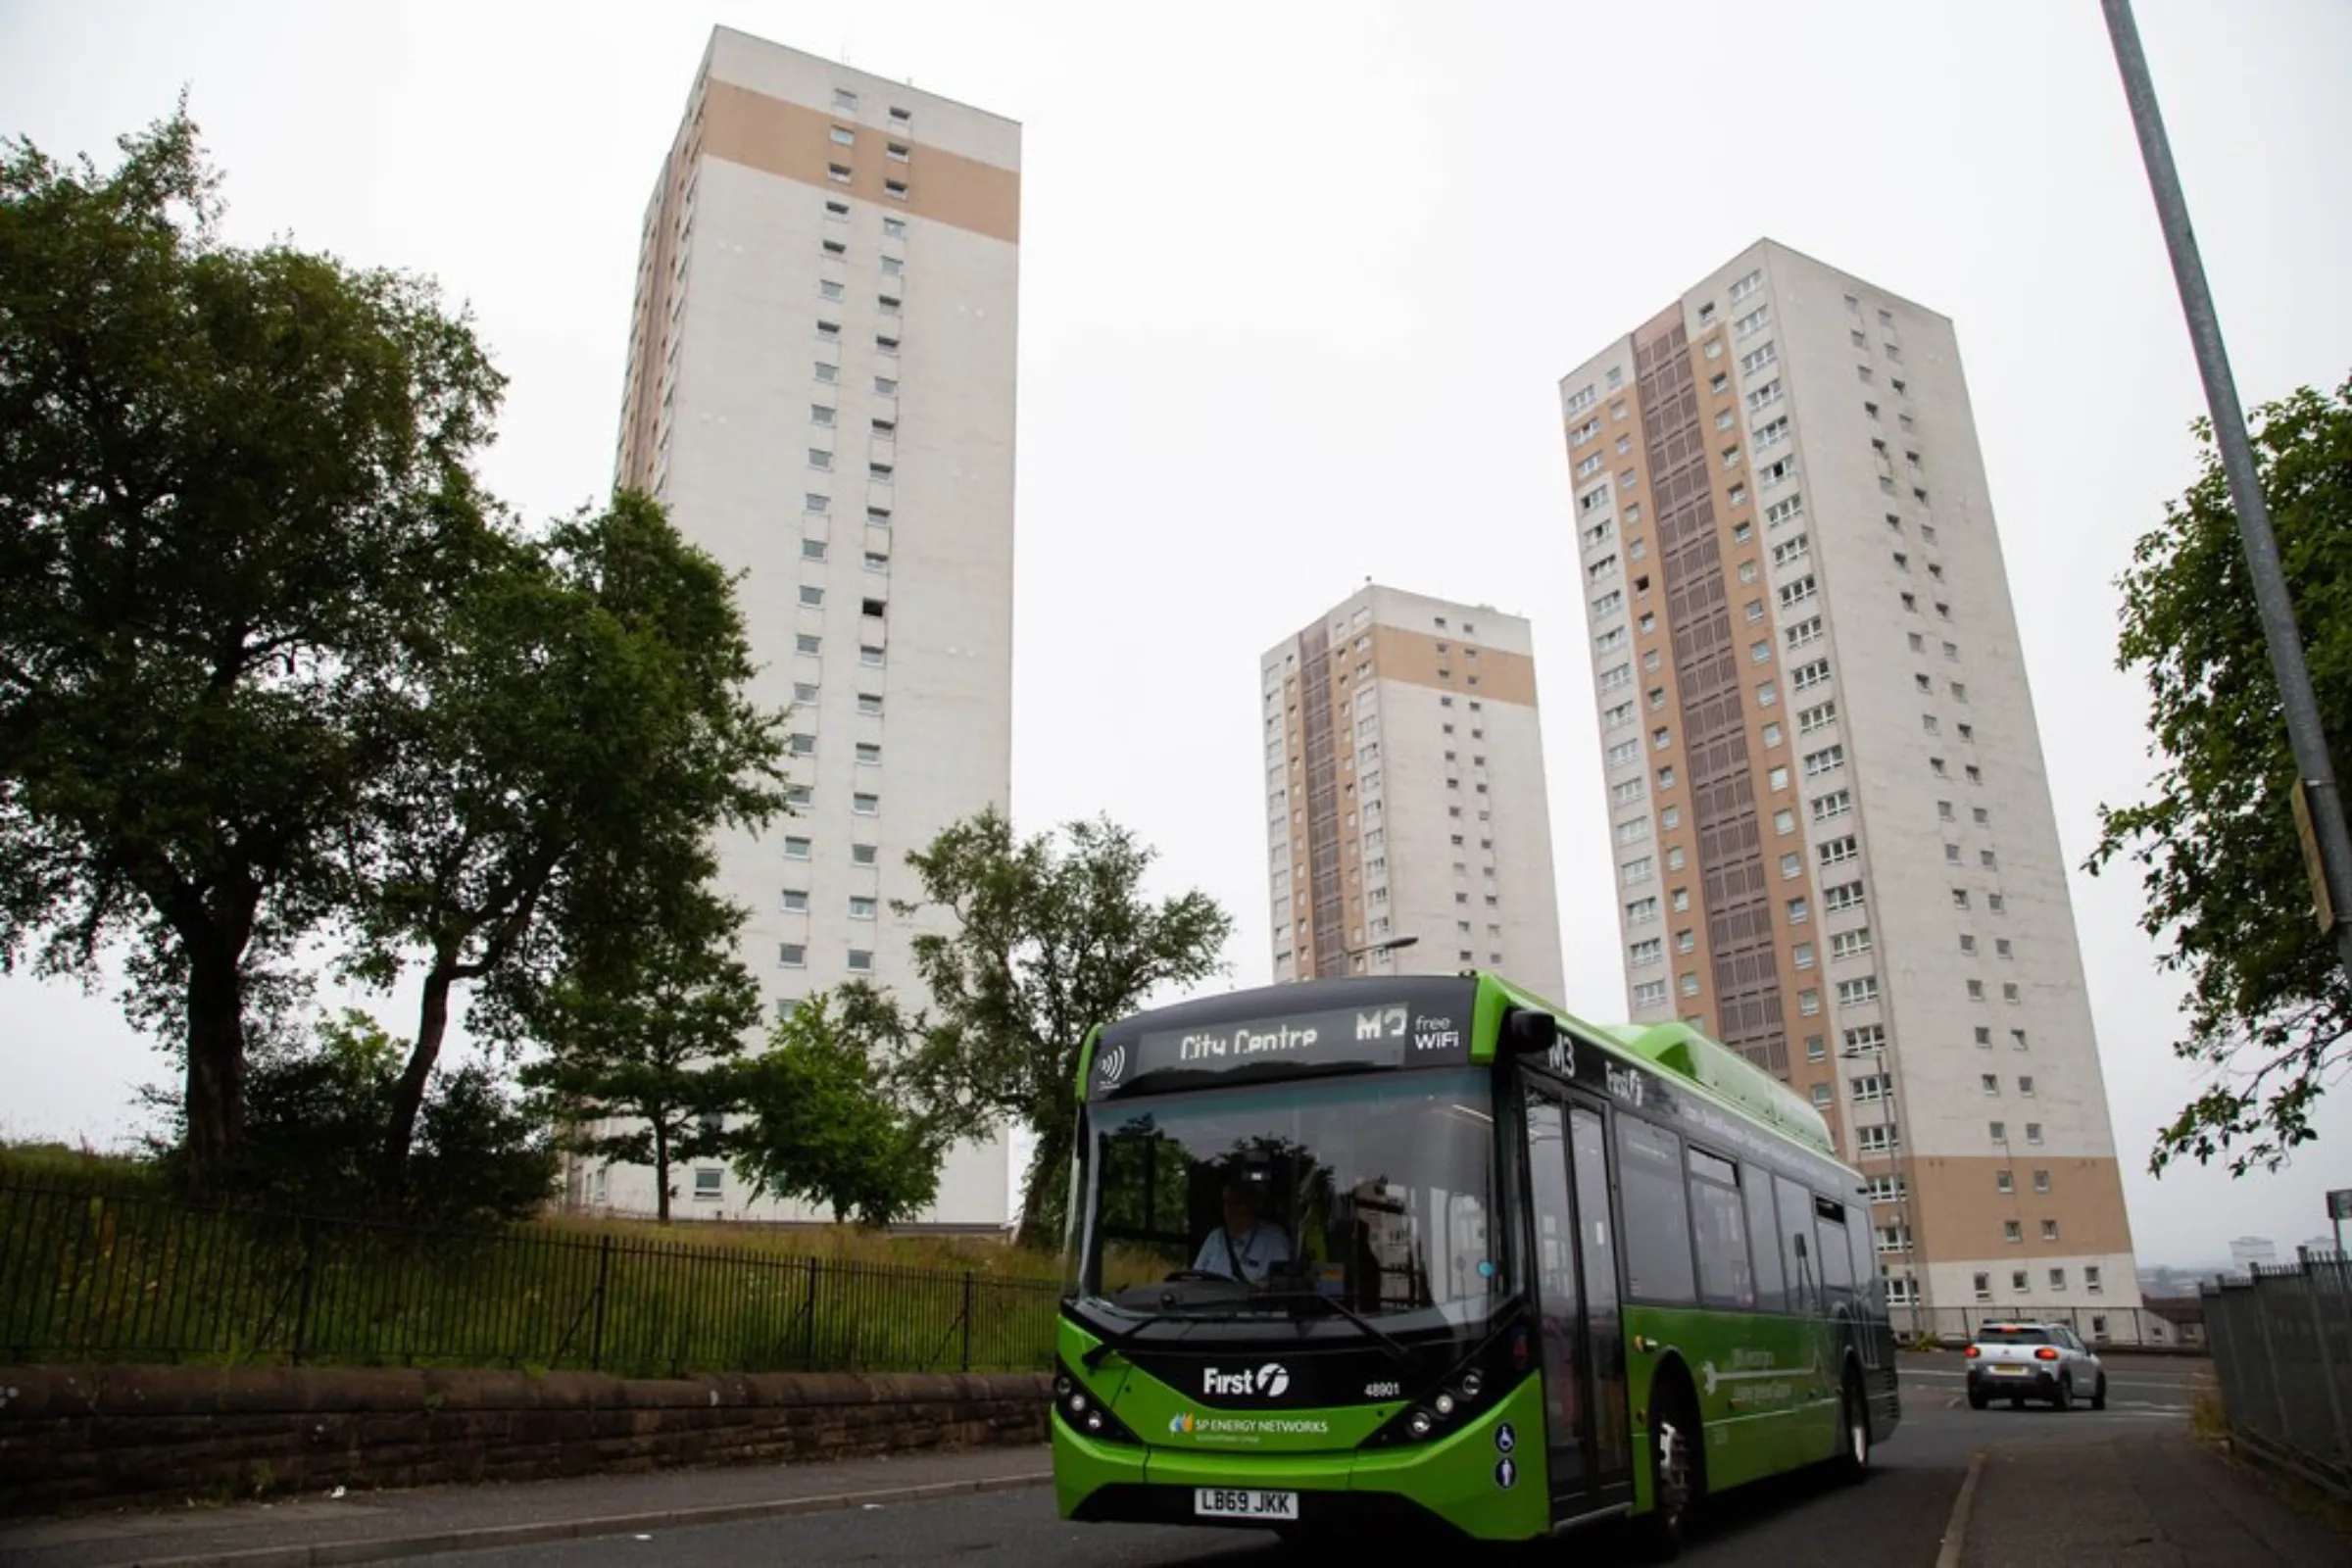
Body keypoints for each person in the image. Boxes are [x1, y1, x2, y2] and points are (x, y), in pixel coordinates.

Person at [1194, 1179, 1292, 1286]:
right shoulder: (1216, 1237)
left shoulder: (1274, 1238)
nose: (1230, 1209)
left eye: (1237, 1203)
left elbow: (1283, 1280)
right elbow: (1196, 1276)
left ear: (1253, 1205)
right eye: (1227, 1202)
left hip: (1252, 1300)